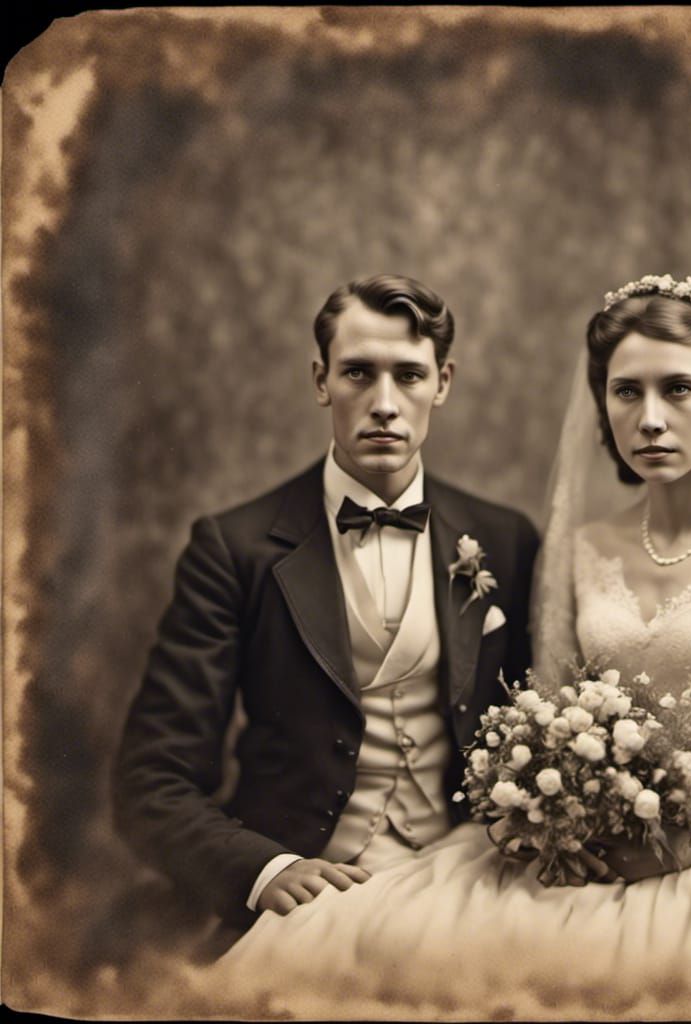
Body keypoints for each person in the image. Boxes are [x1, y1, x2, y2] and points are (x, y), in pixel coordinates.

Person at [204, 276, 691, 1018]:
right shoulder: (579, 550)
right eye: (627, 392)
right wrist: (551, 821)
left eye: (678, 389)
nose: (651, 419)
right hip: (591, 851)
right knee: (363, 953)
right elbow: (544, 714)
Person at [113, 274, 539, 944]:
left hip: (469, 879)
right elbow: (150, 780)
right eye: (358, 374)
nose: (385, 404)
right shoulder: (235, 548)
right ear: (321, 381)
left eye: (409, 375)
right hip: (308, 894)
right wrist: (265, 870)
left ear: (443, 382)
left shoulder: (506, 540)